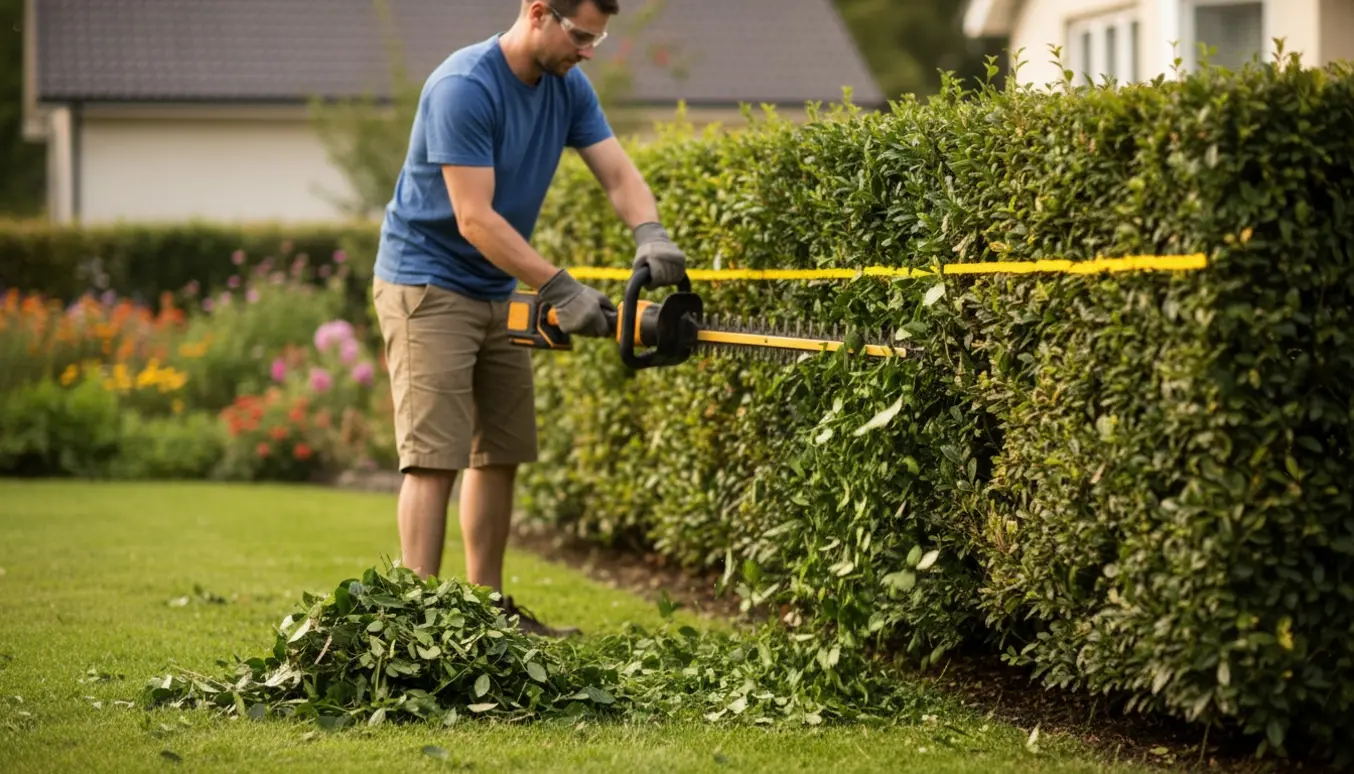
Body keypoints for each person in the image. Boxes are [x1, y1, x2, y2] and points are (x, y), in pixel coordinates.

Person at [369, 0, 687, 637]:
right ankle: (419, 627)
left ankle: (485, 615)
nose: (589, 51)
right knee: (434, 459)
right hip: (426, 284)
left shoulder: (568, 87)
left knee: (499, 453)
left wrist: (649, 232)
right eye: (581, 35)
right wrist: (560, 288)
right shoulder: (465, 87)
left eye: (598, 38)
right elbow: (474, 218)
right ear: (538, 12)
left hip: (494, 284)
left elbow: (617, 172)